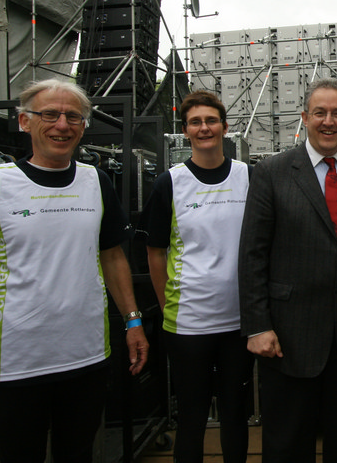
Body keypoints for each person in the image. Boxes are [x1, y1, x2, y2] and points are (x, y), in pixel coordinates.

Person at [0, 79, 148, 462]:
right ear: (24, 121)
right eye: (50, 114)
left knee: (79, 454)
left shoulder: (96, 182)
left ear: (83, 126)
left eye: (73, 116)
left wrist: (133, 321)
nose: (62, 125)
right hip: (15, 364)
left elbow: (112, 256)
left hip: (86, 358)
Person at [238, 78, 337, 463]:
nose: (328, 121)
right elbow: (252, 253)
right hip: (287, 337)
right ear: (304, 117)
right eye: (320, 113)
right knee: (287, 446)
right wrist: (257, 325)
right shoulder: (271, 172)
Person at [139, 90, 253, 463]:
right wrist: (167, 304)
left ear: (225, 126)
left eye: (211, 120)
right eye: (195, 122)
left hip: (239, 322)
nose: (204, 128)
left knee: (236, 413)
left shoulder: (248, 176)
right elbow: (155, 252)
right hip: (188, 323)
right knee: (192, 417)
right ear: (185, 130)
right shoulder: (169, 183)